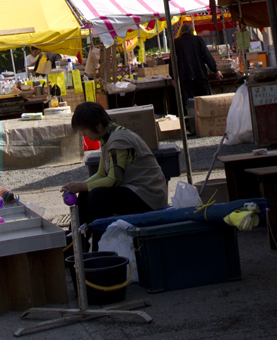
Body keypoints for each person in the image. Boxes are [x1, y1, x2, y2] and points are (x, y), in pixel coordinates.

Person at [61, 102, 167, 248]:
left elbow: (114, 180)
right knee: (86, 194)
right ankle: (77, 243)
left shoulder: (118, 140)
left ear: (97, 125)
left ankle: (100, 247)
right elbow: (100, 173)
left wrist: (84, 185)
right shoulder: (107, 139)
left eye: (85, 132)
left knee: (96, 196)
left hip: (148, 195)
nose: (85, 136)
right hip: (133, 190)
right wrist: (78, 186)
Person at [170, 23, 222, 101]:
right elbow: (207, 56)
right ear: (191, 30)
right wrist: (215, 70)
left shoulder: (176, 43)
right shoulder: (198, 40)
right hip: (200, 75)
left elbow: (172, 61)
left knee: (191, 103)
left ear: (181, 32)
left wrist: (173, 77)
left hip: (185, 77)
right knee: (205, 101)